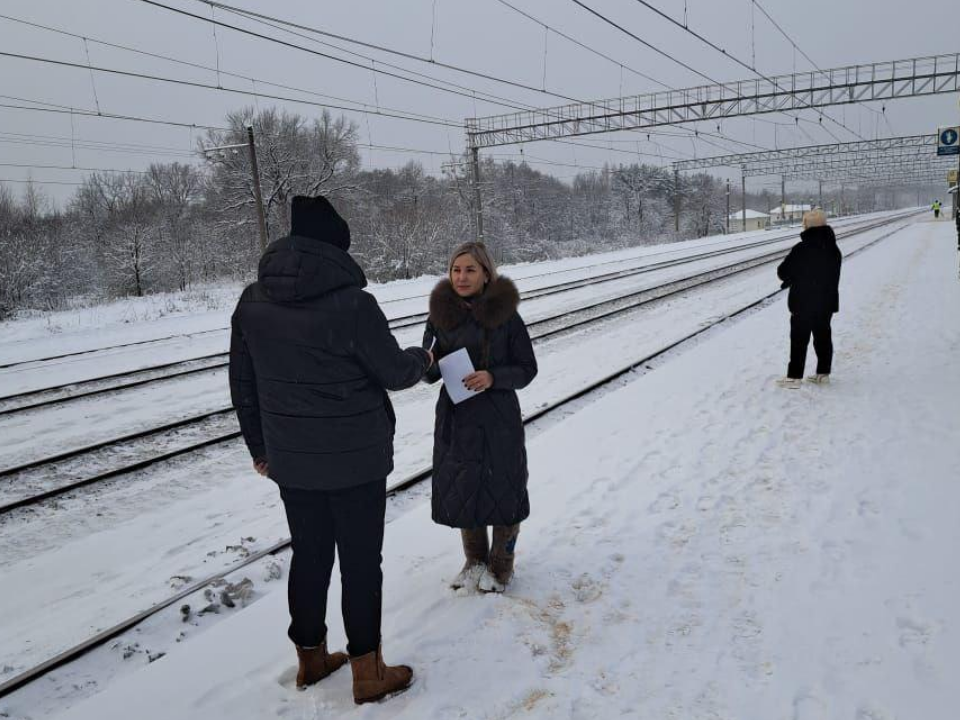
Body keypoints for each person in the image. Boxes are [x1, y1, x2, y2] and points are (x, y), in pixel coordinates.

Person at [229, 195, 432, 704]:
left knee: (310, 556)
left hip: (291, 461)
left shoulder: (252, 302)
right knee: (361, 562)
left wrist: (260, 448)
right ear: (336, 248)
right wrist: (423, 357)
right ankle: (368, 672)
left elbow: (243, 383)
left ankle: (311, 658)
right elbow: (393, 372)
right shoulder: (354, 305)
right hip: (356, 459)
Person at [422, 242, 538, 593]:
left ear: (487, 274)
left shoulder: (506, 315)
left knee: (504, 489)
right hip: (458, 417)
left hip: (498, 418)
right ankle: (474, 561)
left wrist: (493, 377)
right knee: (464, 486)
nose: (461, 277)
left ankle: (502, 566)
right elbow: (431, 370)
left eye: (470, 270)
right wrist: (423, 362)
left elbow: (527, 369)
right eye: (456, 270)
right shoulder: (439, 315)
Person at [775, 209, 842, 389]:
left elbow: (782, 272)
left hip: (803, 302)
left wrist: (794, 277)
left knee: (799, 339)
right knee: (823, 337)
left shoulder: (801, 249)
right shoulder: (834, 249)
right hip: (826, 302)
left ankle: (794, 377)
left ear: (807, 226)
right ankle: (823, 374)